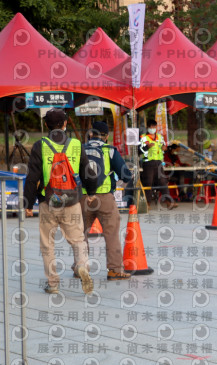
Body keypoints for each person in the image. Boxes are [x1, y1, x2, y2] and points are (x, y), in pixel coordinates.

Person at [23, 108, 97, 294]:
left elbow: (32, 177)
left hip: (49, 201)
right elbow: (88, 171)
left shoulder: (40, 145)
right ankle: (82, 265)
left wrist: (27, 204)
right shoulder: (76, 144)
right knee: (78, 239)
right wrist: (91, 192)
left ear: (47, 125)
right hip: (72, 201)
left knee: (47, 244)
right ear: (65, 124)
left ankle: (53, 283)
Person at [78, 121, 132, 280]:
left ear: (90, 134)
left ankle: (80, 267)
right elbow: (126, 175)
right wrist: (115, 186)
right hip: (105, 198)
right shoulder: (110, 150)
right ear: (107, 136)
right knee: (111, 233)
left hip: (82, 197)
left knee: (80, 234)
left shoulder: (79, 148)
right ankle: (114, 270)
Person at [139, 119, 176, 210]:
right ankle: (147, 204)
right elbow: (139, 151)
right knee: (148, 183)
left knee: (163, 182)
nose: (152, 128)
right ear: (147, 127)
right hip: (148, 163)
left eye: (154, 127)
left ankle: (168, 202)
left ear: (156, 127)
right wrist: (147, 147)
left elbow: (164, 148)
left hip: (159, 162)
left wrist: (165, 148)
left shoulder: (160, 137)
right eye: (151, 127)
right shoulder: (143, 137)